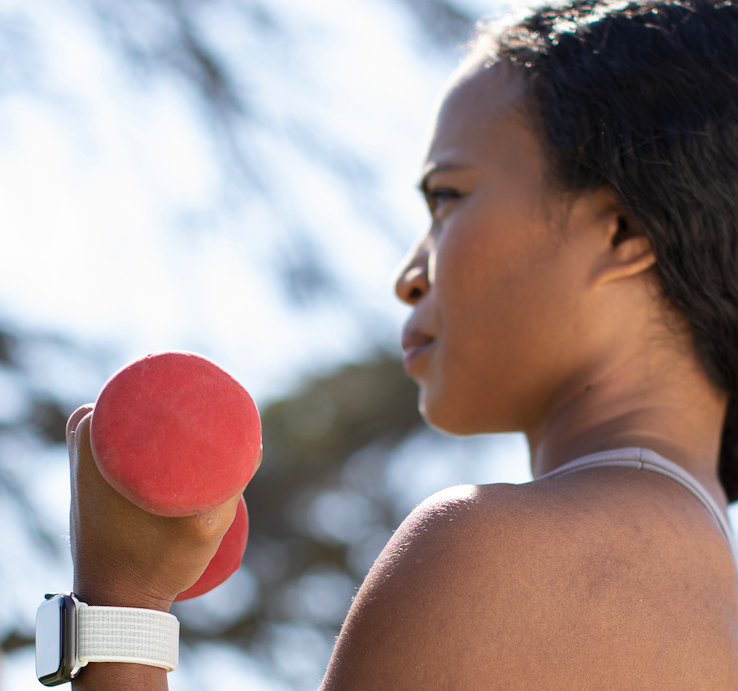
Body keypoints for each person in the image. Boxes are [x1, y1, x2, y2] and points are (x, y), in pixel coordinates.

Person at [65, 0, 738, 687]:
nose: (408, 277)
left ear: (621, 231)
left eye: (446, 197)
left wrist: (124, 601)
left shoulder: (502, 555)